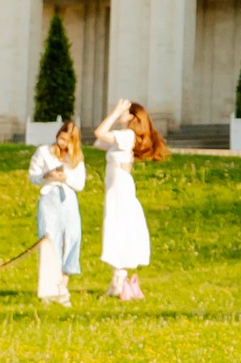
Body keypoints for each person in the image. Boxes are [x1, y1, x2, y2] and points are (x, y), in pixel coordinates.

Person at [95, 99, 164, 301]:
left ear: (132, 116)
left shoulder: (127, 136)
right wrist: (118, 116)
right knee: (116, 227)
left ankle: (119, 279)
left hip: (120, 187)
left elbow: (99, 132)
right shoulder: (123, 136)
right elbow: (98, 142)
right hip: (116, 187)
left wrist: (116, 111)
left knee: (118, 227)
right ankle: (118, 278)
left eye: (126, 111)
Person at [29, 118, 85, 303]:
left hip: (68, 200)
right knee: (49, 239)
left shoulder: (76, 158)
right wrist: (48, 175)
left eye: (67, 141)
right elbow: (33, 176)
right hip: (49, 198)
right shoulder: (44, 151)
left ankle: (63, 285)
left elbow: (80, 184)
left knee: (72, 238)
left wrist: (65, 177)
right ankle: (49, 288)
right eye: (61, 138)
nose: (62, 144)